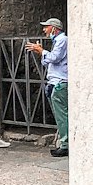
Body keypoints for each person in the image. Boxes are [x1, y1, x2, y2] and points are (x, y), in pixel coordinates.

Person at [27, 18, 69, 158]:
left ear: (54, 28)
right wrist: (43, 53)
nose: (44, 30)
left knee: (62, 115)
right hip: (55, 81)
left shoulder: (62, 40)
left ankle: (65, 144)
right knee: (60, 114)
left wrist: (42, 51)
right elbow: (48, 61)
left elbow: (55, 58)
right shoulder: (57, 41)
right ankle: (64, 142)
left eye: (46, 27)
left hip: (59, 82)